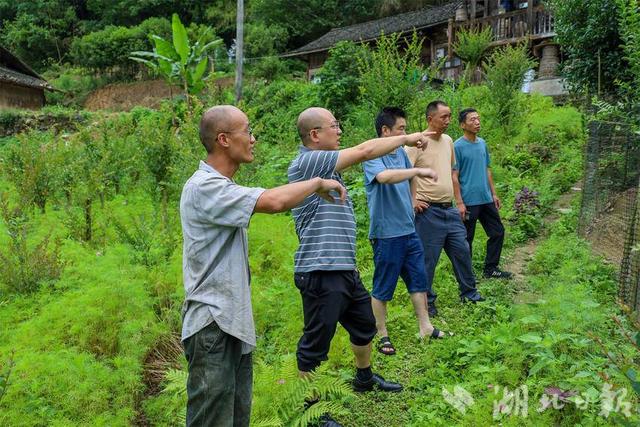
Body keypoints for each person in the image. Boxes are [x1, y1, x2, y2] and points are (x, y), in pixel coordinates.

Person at [180, 105, 347, 427]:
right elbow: (274, 201)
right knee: (212, 420)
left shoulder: (219, 186)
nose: (254, 139)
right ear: (224, 139)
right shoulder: (204, 186)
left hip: (230, 322)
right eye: (248, 131)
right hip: (212, 323)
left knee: (235, 417)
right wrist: (316, 183)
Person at [288, 107, 433, 397]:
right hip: (320, 270)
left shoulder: (329, 170)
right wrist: (407, 138)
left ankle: (364, 379)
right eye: (334, 125)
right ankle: (309, 409)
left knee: (365, 326)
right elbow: (366, 151)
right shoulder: (306, 163)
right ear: (315, 135)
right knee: (315, 345)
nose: (339, 130)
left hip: (343, 269)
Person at [362, 107, 450, 356]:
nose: (406, 133)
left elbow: (409, 179)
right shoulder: (372, 156)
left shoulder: (400, 152)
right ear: (385, 131)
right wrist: (417, 170)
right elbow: (385, 177)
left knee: (418, 279)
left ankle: (426, 327)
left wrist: (412, 201)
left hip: (408, 229)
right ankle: (382, 334)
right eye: (401, 129)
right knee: (383, 286)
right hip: (386, 233)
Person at [406, 100, 485, 318]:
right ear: (430, 118)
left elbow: (452, 173)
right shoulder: (416, 143)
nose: (448, 121)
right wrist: (412, 201)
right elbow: (402, 174)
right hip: (427, 211)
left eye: (450, 116)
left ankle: (470, 294)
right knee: (428, 260)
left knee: (462, 252)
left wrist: (459, 202)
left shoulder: (449, 140)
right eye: (444, 117)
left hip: (449, 209)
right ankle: (427, 304)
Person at [453, 108, 513, 279]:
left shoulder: (482, 143)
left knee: (497, 232)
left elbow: (487, 170)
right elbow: (454, 176)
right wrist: (459, 202)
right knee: (467, 239)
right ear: (462, 125)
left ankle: (491, 268)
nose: (477, 122)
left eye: (478, 119)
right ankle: (467, 274)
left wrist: (494, 194)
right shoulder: (457, 147)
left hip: (486, 198)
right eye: (472, 120)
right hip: (468, 201)